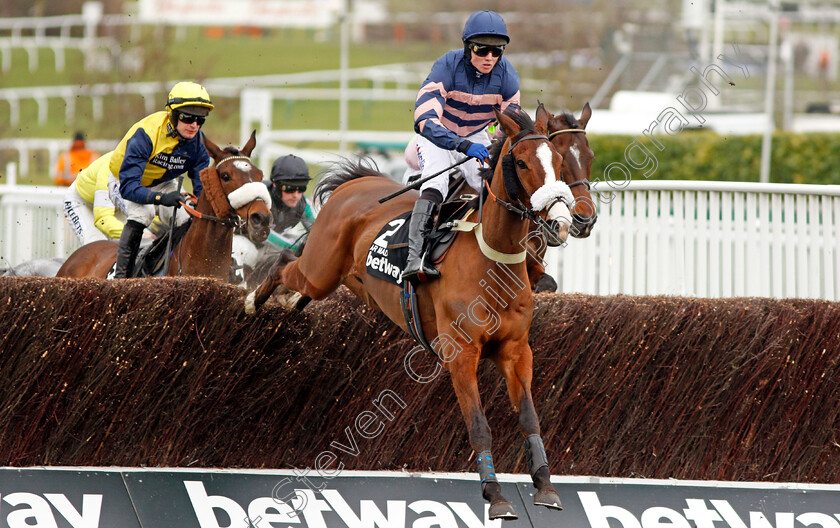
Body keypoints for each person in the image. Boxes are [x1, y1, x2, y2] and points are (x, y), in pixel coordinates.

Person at [402, 10, 520, 283]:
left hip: (477, 136)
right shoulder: (447, 67)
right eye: (482, 49)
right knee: (438, 181)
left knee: (494, 186)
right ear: (468, 47)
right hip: (438, 135)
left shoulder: (508, 78)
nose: (490, 58)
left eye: (497, 51)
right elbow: (423, 120)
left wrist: (497, 145)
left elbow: (510, 126)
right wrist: (460, 144)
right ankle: (414, 257)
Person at [110, 81, 213, 278]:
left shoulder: (198, 142)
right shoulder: (146, 134)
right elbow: (129, 187)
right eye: (188, 117)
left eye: (200, 120)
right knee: (144, 214)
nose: (194, 125)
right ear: (172, 114)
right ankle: (120, 280)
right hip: (124, 182)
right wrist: (160, 198)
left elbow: (200, 187)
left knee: (187, 217)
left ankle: (167, 267)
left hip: (163, 182)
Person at [231, 154, 317, 285]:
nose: (296, 195)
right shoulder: (261, 198)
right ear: (275, 185)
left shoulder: (303, 204)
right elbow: (266, 235)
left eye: (301, 188)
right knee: (239, 246)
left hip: (272, 251)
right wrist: (297, 248)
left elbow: (318, 230)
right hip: (249, 244)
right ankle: (237, 288)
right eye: (289, 188)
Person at [63, 152, 125, 245]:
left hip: (112, 206)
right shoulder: (109, 170)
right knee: (97, 243)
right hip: (81, 202)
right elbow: (102, 220)